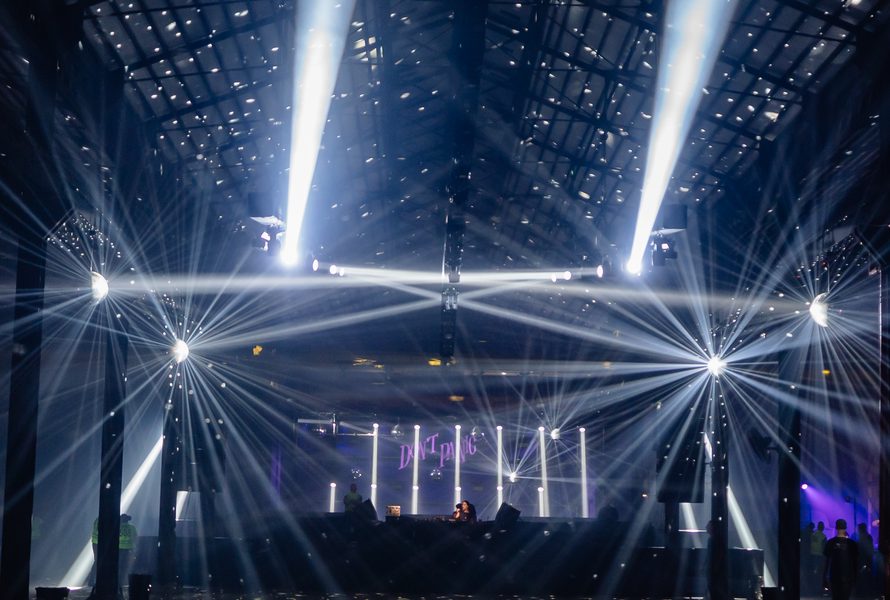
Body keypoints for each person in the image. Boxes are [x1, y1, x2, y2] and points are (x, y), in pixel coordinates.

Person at [823, 518, 858, 600]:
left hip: (834, 577)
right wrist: (855, 578)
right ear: (846, 528)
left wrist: (824, 577)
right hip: (848, 577)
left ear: (836, 528)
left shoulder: (830, 543)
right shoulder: (852, 544)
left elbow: (826, 562)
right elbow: (855, 563)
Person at [855, 523, 874, 597]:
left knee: (863, 577)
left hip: (864, 561)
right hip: (865, 561)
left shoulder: (863, 538)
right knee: (865, 577)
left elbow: (866, 550)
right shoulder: (866, 537)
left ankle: (863, 593)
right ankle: (865, 593)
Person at [118, 514, 138, 585]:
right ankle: (126, 581)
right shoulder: (132, 527)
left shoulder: (118, 527)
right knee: (127, 566)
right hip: (129, 549)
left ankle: (119, 581)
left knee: (119, 565)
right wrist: (135, 548)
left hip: (119, 549)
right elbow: (135, 538)